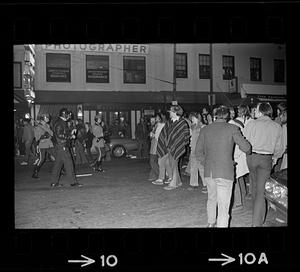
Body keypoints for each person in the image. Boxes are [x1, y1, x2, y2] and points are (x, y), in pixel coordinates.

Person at [195, 105, 251, 227]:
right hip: (225, 171)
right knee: (223, 205)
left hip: (209, 171)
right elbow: (247, 148)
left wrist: (207, 162)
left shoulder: (205, 129)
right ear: (228, 116)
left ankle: (210, 223)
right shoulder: (233, 128)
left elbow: (197, 153)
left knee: (211, 198)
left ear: (214, 115)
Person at [244, 102, 285, 227]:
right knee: (261, 191)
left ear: (260, 112)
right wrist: (275, 158)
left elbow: (245, 142)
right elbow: (280, 147)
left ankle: (257, 217)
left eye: (256, 110)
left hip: (252, 157)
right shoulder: (277, 126)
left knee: (255, 188)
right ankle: (257, 222)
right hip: (266, 159)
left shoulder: (251, 124)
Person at [156, 104, 190, 190]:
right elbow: (164, 134)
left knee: (174, 164)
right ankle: (178, 182)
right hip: (168, 147)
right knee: (172, 164)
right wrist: (164, 143)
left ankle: (173, 184)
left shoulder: (182, 122)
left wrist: (179, 143)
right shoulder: (169, 122)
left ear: (175, 112)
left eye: (171, 111)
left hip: (177, 147)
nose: (169, 112)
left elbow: (186, 135)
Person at [50, 108, 82, 187]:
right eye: (67, 114)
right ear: (64, 114)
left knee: (58, 165)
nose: (68, 116)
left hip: (60, 146)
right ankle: (73, 182)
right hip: (62, 145)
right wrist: (70, 136)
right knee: (69, 164)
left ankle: (54, 182)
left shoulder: (61, 122)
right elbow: (59, 135)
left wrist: (72, 130)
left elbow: (63, 132)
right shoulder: (60, 123)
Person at [228, 104, 252, 211]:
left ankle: (238, 203)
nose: (234, 113)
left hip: (236, 153)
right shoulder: (239, 122)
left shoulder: (232, 124)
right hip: (241, 152)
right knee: (239, 176)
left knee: (235, 177)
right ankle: (244, 193)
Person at [188, 112, 207, 192]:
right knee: (193, 167)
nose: (192, 120)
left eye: (193, 118)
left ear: (197, 118)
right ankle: (193, 184)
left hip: (200, 150)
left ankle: (206, 184)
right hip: (193, 149)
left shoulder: (203, 127)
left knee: (202, 168)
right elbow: (191, 137)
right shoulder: (192, 127)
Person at [32, 113, 55, 178]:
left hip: (49, 144)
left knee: (56, 156)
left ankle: (59, 170)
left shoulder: (47, 125)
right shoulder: (37, 127)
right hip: (42, 145)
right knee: (42, 159)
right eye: (47, 117)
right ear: (44, 118)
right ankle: (35, 172)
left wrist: (46, 129)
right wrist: (45, 134)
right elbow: (37, 138)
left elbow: (52, 134)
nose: (48, 119)